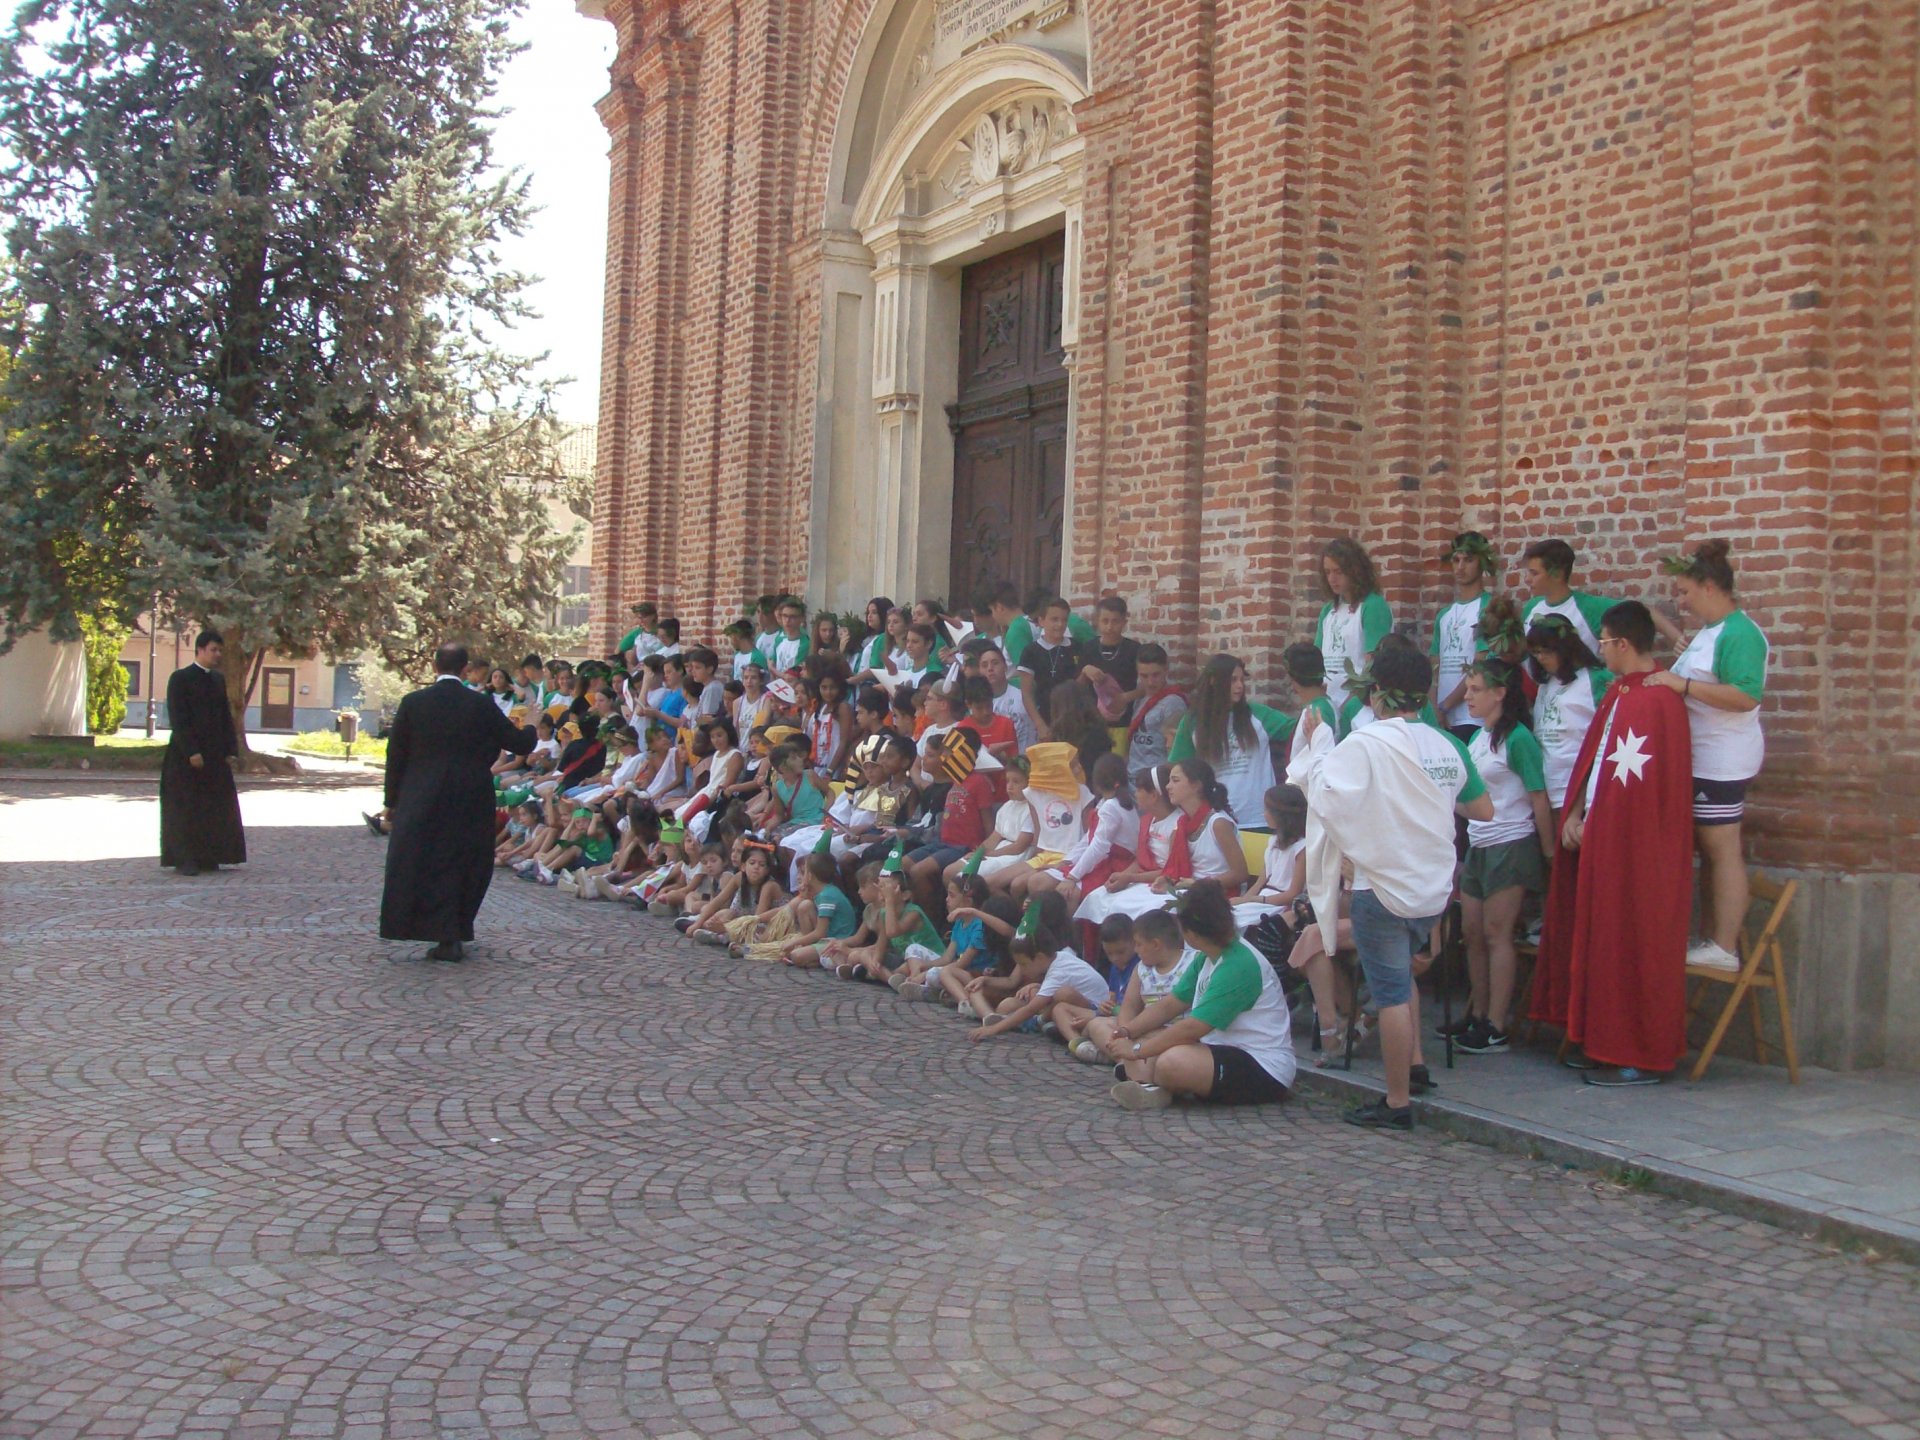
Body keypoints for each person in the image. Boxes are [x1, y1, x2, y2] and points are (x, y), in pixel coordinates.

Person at [1288, 643, 1492, 1129]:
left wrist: (1317, 745)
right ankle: (1416, 1065)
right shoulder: (1449, 745)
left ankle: (1397, 1102)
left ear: (1376, 693)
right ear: (1424, 694)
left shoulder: (1368, 743)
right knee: (1401, 977)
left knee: (1392, 994)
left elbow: (1321, 790)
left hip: (1382, 888)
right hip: (1432, 892)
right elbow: (1483, 811)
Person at [1531, 602, 1694, 1086]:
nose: (1598, 648)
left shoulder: (1657, 701)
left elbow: (1645, 793)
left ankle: (1637, 1052)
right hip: (1601, 840)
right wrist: (1579, 812)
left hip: (1637, 854)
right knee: (1601, 941)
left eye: (1602, 640)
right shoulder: (1621, 693)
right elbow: (1597, 760)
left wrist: (1598, 824)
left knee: (1632, 943)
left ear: (1622, 644)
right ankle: (1597, 1037)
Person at [1649, 540, 1769, 972]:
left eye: (1685, 591)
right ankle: (1710, 936)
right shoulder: (1708, 634)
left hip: (1722, 759)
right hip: (1696, 758)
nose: (1681, 600)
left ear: (1710, 586)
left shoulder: (1740, 633)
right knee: (1707, 848)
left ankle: (1724, 946)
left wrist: (1681, 687)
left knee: (1722, 848)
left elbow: (1744, 695)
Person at [379, 641, 537, 961]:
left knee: (422, 860)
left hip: (421, 794)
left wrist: (391, 801)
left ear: (434, 667)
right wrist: (532, 723)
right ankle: (453, 932)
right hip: (470, 794)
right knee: (464, 861)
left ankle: (421, 926)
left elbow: (395, 755)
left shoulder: (413, 703)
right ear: (465, 669)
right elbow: (517, 741)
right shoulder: (479, 704)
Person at [1103, 880, 1297, 1110]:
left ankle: (1151, 1083)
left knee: (1170, 1062)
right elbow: (1170, 1004)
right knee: (1149, 1037)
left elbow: (1193, 1027)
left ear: (1191, 933)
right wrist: (1127, 1032)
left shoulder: (1239, 965)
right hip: (1219, 1049)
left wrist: (1136, 1051)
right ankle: (1151, 1087)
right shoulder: (1206, 956)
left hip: (1263, 1066)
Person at [1451, 661, 1554, 1055]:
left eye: (1476, 689)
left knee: (1497, 934)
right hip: (1479, 842)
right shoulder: (1478, 738)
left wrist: (1546, 851)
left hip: (1512, 842)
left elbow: (1538, 796)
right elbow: (1469, 798)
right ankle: (1476, 1012)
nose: (1468, 696)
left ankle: (1497, 1023)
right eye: (1468, 688)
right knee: (1472, 934)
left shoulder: (1519, 738)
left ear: (1500, 693)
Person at [1167, 654, 1294, 828]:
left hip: (1259, 819)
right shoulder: (1193, 721)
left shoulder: (1258, 715)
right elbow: (1178, 767)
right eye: (1233, 680)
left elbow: (1297, 730)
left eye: (1242, 680)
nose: (1239, 686)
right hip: (1215, 821)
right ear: (1213, 681)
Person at [159, 629, 247, 876]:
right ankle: (184, 858)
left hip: (215, 756)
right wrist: (191, 751)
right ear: (199, 650)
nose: (217, 655)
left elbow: (224, 718)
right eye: (213, 650)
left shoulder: (218, 680)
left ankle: (210, 855)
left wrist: (231, 749)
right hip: (185, 756)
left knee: (212, 806)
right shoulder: (180, 679)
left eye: (220, 650)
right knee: (186, 808)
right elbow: (179, 718)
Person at [1526, 615, 1613, 817]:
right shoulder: (1545, 685)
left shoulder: (1597, 678)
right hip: (1551, 791)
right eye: (1536, 652)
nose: (1540, 658)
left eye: (1546, 650)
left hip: (1585, 789)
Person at [1315, 538, 1393, 712]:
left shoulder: (1372, 605)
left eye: (1338, 571)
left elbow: (1372, 665)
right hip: (1328, 702)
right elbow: (1317, 660)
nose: (1332, 579)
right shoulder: (1328, 610)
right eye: (1327, 572)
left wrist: (1348, 706)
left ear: (1355, 571)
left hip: (1358, 705)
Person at [1433, 532, 1494, 740]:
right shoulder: (1444, 615)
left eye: (1469, 560)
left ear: (1482, 562)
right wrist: (1436, 707)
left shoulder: (1488, 607)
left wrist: (1447, 705)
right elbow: (1435, 665)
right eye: (1456, 560)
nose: (1460, 567)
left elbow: (1480, 661)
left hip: (1472, 717)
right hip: (1443, 716)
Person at [1125, 644, 1187, 774]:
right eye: (1144, 676)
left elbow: (1176, 751)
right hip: (1133, 778)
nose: (1150, 682)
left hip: (1156, 781)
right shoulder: (1140, 699)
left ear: (1166, 670)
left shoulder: (1173, 703)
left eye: (1155, 675)